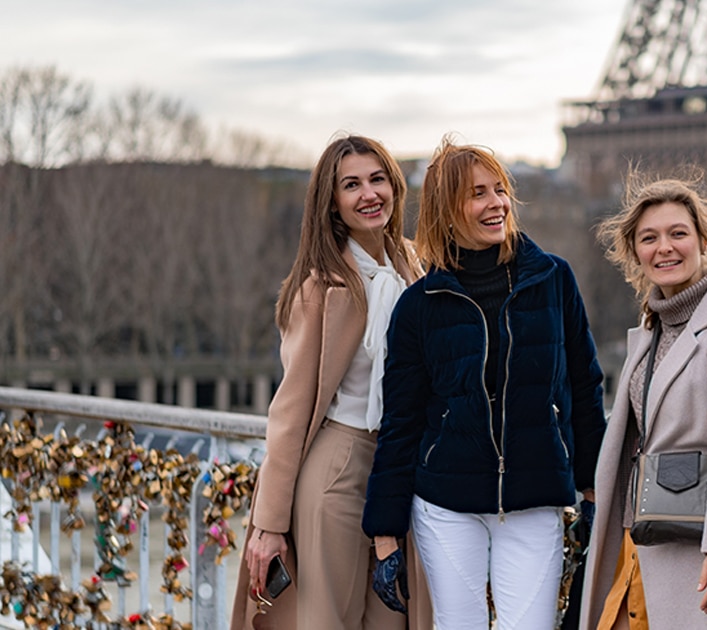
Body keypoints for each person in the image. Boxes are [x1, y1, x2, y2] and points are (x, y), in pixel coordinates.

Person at [362, 135, 608, 630]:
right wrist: (385, 532)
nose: (496, 204)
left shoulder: (554, 281)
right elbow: (402, 420)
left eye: (499, 190)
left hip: (535, 494)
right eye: (478, 193)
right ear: (447, 208)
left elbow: (584, 389)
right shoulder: (418, 305)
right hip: (446, 502)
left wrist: (595, 489)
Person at [230, 134, 428, 630]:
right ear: (333, 203)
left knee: (393, 621)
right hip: (338, 464)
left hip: (403, 467)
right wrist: (270, 524)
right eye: (352, 184)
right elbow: (290, 410)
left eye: (378, 179)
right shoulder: (321, 286)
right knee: (327, 620)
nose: (369, 194)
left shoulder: (415, 269)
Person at [579, 174, 707, 630]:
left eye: (678, 234)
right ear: (634, 251)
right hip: (641, 532)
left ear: (703, 240)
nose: (665, 248)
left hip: (696, 539)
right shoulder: (652, 327)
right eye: (649, 238)